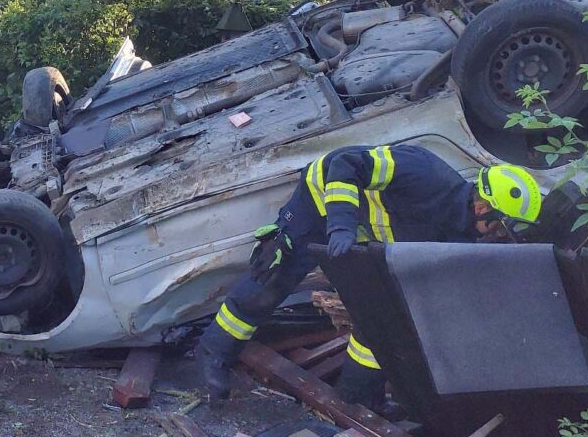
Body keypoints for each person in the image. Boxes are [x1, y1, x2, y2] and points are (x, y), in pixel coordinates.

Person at [198, 143, 544, 407]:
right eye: (499, 224)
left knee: (378, 314)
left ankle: (358, 397)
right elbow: (345, 163)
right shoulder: (423, 172)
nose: (497, 233)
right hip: (323, 200)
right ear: (483, 206)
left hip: (361, 236)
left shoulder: (461, 232)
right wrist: (341, 225)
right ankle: (214, 351)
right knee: (272, 282)